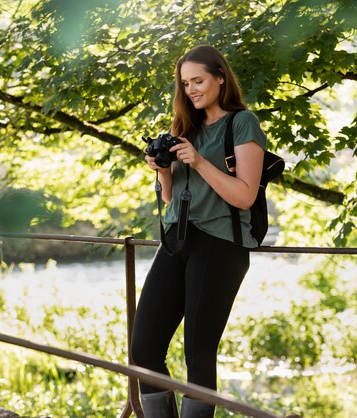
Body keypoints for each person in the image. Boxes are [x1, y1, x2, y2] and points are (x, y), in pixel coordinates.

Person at [131, 45, 266, 418]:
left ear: (220, 78)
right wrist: (162, 169)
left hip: (221, 245)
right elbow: (172, 196)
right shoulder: (183, 128)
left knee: (199, 353)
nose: (190, 89)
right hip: (177, 240)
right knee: (143, 349)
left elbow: (244, 196)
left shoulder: (242, 123)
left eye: (198, 80)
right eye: (185, 83)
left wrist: (199, 161)